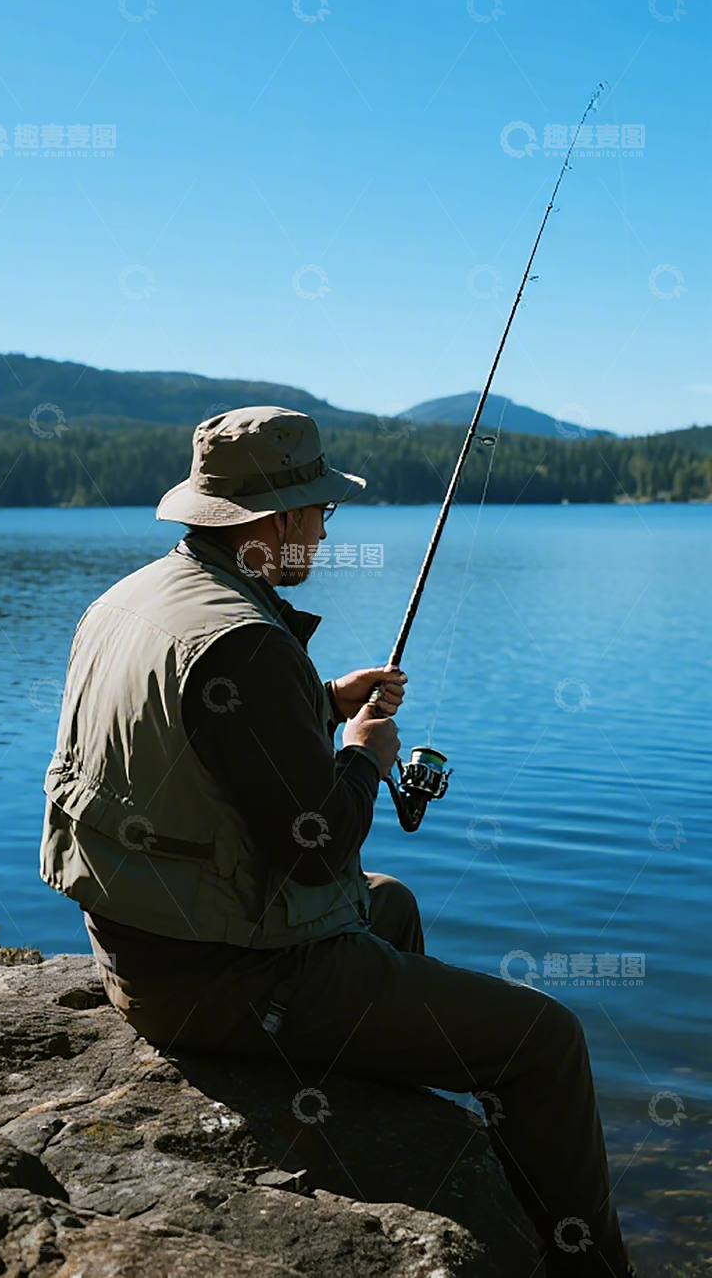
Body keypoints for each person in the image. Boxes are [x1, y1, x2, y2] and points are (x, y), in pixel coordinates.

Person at [40, 405, 634, 1277]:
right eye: (320, 509)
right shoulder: (244, 642)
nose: (324, 527)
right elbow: (317, 849)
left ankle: (404, 1134)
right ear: (275, 521)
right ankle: (592, 1266)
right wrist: (360, 755)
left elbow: (205, 734)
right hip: (220, 980)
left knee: (388, 903)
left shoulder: (134, 600)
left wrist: (322, 697)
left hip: (137, 949)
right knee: (544, 1041)